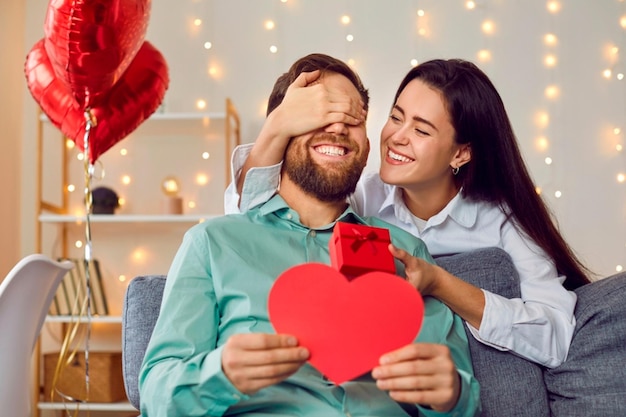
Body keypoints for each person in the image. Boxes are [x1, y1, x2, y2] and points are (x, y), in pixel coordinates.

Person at [139, 53, 480, 417]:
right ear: (283, 130)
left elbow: (460, 397)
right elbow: (157, 396)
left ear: (366, 147)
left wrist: (452, 394)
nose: (336, 129)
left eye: (353, 120)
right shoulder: (213, 243)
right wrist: (219, 374)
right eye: (319, 115)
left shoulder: (408, 252)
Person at [225, 58, 593, 369]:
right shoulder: (363, 197)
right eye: (396, 117)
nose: (397, 137)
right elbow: (256, 220)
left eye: (420, 129)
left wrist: (441, 283)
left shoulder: (504, 222)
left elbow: (556, 336)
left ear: (461, 154)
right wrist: (277, 124)